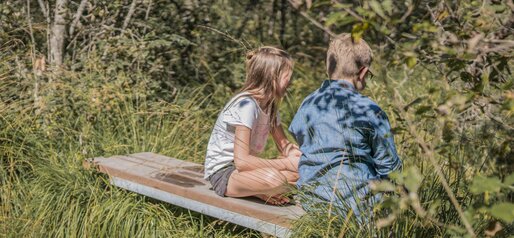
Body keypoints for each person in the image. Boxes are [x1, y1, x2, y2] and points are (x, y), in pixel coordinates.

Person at [288, 34, 402, 217]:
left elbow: (298, 134)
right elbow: (390, 169)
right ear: (363, 73)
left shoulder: (308, 103)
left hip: (312, 204)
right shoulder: (370, 110)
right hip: (358, 211)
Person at [204, 46, 302, 205]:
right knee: (275, 179)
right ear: (272, 77)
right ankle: (262, 191)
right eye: (287, 77)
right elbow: (241, 162)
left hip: (248, 171)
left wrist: (300, 157)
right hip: (226, 173)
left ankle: (261, 191)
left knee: (302, 174)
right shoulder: (246, 105)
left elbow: (284, 146)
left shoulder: (270, 106)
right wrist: (286, 163)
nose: (290, 82)